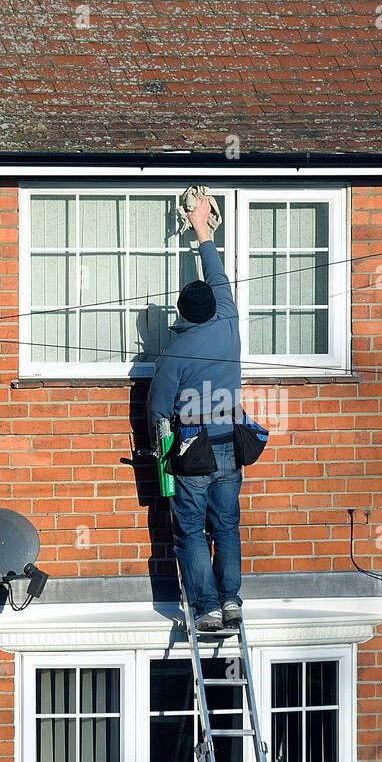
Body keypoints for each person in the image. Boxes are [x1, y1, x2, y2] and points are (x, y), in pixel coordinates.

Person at [147, 194, 243, 633]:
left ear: (183, 313)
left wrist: (157, 447)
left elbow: (159, 409)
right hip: (229, 444)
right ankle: (232, 601)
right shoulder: (228, 321)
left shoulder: (175, 353)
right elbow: (218, 276)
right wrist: (202, 227)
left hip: (192, 449)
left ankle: (205, 608)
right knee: (225, 526)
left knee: (188, 530)